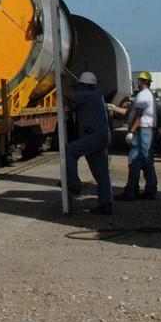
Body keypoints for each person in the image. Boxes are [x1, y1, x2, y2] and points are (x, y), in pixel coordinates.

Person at [62, 70, 112, 214]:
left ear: (84, 85)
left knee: (69, 151)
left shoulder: (89, 95)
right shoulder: (96, 95)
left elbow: (67, 94)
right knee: (101, 174)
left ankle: (74, 184)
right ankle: (106, 205)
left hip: (94, 136)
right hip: (101, 136)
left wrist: (62, 77)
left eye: (80, 86)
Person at [110, 71, 159, 200]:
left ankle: (131, 191)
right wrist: (114, 108)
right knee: (146, 161)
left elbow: (138, 115)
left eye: (139, 80)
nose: (137, 82)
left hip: (141, 131)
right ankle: (150, 190)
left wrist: (131, 131)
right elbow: (130, 112)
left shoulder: (143, 95)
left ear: (141, 81)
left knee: (135, 161)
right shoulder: (147, 95)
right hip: (145, 131)